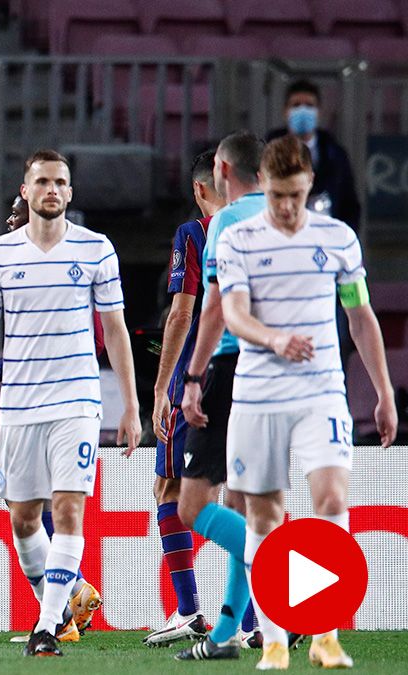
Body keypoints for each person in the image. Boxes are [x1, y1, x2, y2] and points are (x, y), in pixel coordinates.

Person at [216, 135, 397, 669]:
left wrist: (384, 393)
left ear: (309, 186)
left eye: (295, 195)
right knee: (263, 518)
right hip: (259, 394)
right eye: (277, 196)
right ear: (264, 187)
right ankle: (272, 640)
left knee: (332, 500)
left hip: (322, 390)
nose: (287, 207)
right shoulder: (239, 238)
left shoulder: (338, 238)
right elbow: (234, 314)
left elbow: (360, 317)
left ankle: (324, 634)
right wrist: (273, 339)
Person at [0, 149, 141, 657]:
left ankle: (44, 627)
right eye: (42, 181)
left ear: (71, 192)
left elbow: (116, 329)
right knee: (22, 517)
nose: (52, 189)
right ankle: (59, 606)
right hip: (19, 406)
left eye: (60, 182)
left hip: (78, 401)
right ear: (25, 189)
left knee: (69, 508)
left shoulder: (97, 249)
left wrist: (130, 404)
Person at [0, 194, 104, 640]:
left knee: (36, 507)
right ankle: (64, 607)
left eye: (16, 213)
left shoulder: (55, 268)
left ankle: (63, 606)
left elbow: (34, 350)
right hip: (50, 403)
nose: (9, 219)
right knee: (32, 508)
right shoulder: (15, 264)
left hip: (46, 406)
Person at [175, 132, 268, 661]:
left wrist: (191, 379)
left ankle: (291, 574)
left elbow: (212, 308)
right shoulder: (290, 218)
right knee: (240, 501)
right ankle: (227, 633)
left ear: (224, 171)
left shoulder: (225, 224)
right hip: (280, 372)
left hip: (232, 368)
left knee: (193, 506)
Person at [143, 150, 226, 646]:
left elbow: (180, 314)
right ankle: (259, 617)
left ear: (200, 188)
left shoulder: (195, 234)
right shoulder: (267, 231)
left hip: (197, 375)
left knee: (171, 490)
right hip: (251, 376)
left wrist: (160, 387)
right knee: (244, 497)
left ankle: (191, 609)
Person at [265, 80, 360, 230]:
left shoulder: (335, 154)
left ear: (319, 112)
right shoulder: (267, 150)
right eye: (296, 105)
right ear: (285, 111)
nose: (303, 111)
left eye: (309, 106)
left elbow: (349, 204)